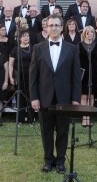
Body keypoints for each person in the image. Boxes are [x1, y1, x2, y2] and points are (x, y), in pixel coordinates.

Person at [29, 14, 81, 174]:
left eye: (57, 25)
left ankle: (60, 161)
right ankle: (47, 160)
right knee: (46, 131)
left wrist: (75, 98)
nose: (54, 28)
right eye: (51, 25)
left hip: (64, 98)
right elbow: (33, 76)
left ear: (62, 27)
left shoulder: (72, 49)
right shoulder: (38, 48)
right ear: (46, 27)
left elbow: (76, 76)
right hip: (44, 97)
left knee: (63, 131)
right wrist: (34, 97)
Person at [9, 31, 34, 125]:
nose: (26, 38)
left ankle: (31, 119)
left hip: (31, 77)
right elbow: (11, 64)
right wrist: (11, 77)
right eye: (24, 36)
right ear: (19, 38)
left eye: (27, 36)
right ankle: (20, 119)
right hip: (18, 76)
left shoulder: (33, 48)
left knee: (30, 97)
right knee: (20, 98)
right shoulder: (15, 49)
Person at [78, 26, 97, 126]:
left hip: (94, 73)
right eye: (88, 32)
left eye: (92, 32)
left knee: (91, 96)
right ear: (84, 34)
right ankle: (84, 118)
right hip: (83, 73)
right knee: (83, 96)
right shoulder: (79, 45)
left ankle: (89, 117)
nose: (90, 34)